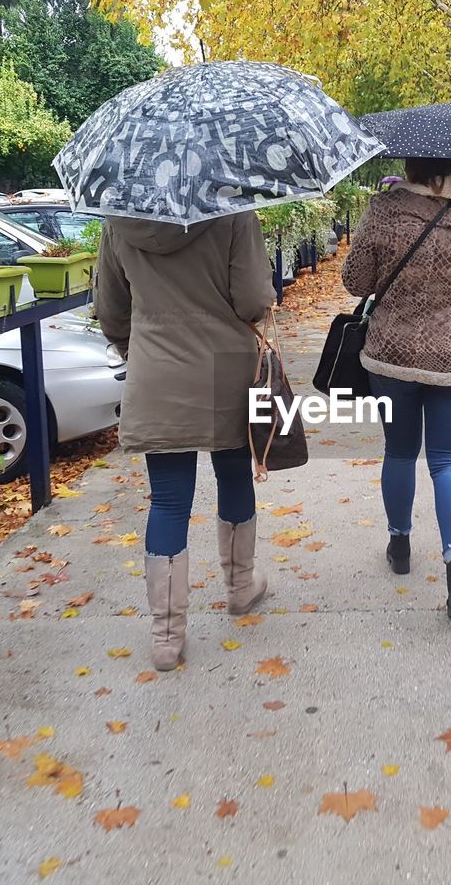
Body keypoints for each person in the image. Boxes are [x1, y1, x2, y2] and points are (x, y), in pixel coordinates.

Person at [95, 212, 275, 670]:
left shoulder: (119, 221)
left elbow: (112, 311)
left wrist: (139, 352)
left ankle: (166, 638)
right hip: (226, 369)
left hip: (156, 372)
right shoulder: (234, 214)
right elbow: (253, 300)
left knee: (169, 501)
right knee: (234, 476)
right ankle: (239, 589)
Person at [341, 158, 451, 620]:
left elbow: (354, 282)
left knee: (400, 452)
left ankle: (399, 544)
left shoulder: (383, 210)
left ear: (408, 161)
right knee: (447, 461)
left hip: (392, 357)